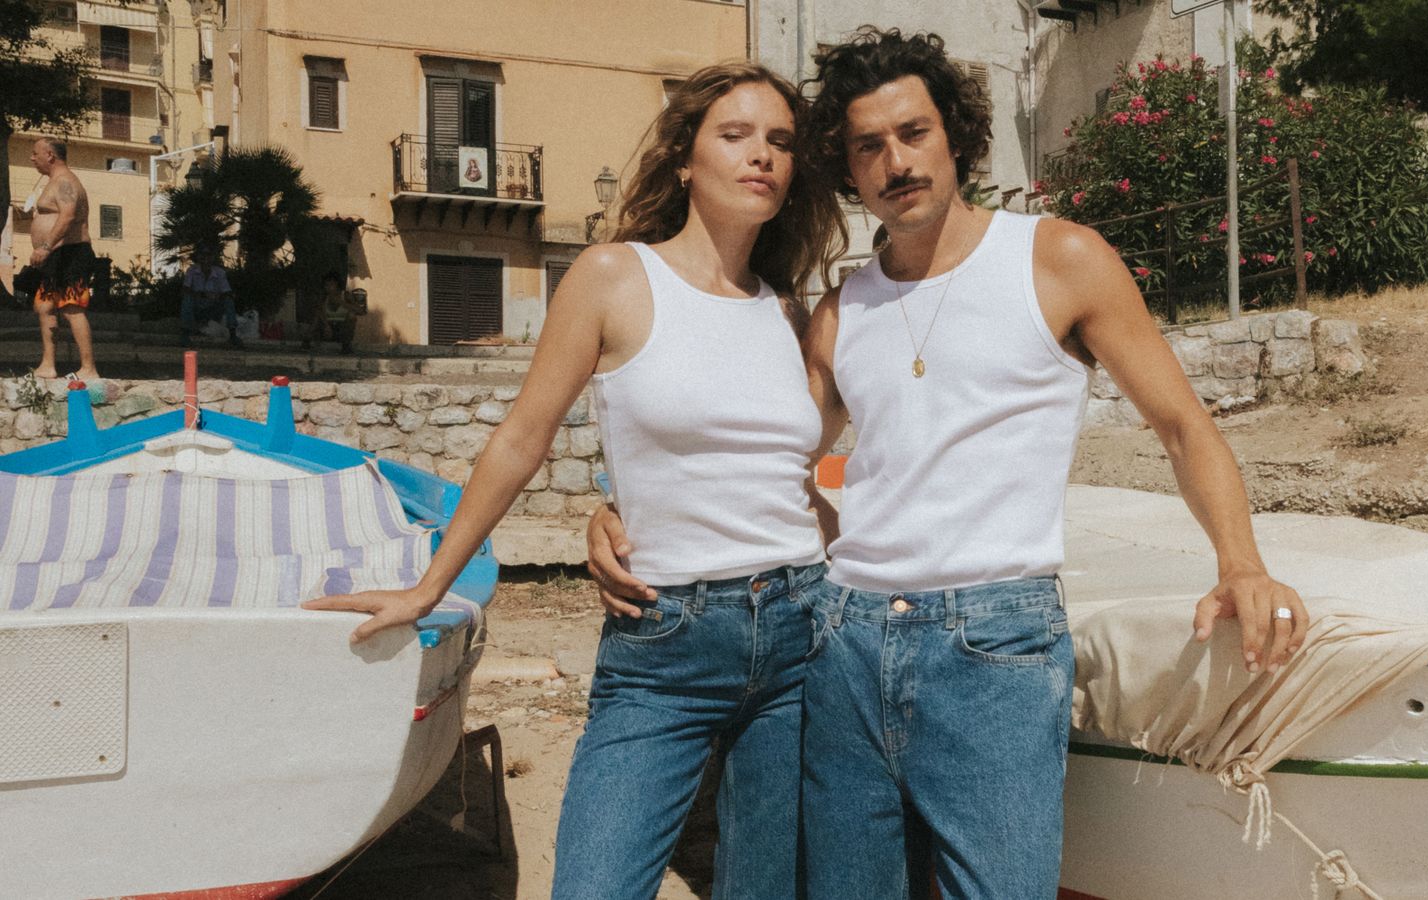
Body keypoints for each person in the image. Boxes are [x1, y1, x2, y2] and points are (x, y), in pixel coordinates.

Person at [587, 28, 1309, 899]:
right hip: (843, 644)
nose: (896, 161)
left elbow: (1185, 427)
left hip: (994, 644)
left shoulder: (1058, 260)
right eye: (868, 147)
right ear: (848, 172)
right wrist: (612, 508)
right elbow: (752, 455)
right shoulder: (842, 309)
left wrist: (1241, 563)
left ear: (956, 136)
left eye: (914, 133)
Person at [305, 61, 846, 900]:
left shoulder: (787, 311)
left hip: (797, 624)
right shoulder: (612, 276)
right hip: (665, 635)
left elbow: (790, 475)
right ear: (684, 159)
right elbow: (522, 439)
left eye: (778, 141)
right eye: (734, 135)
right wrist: (427, 586)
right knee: (596, 885)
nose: (762, 156)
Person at [20, 139, 99, 380]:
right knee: (44, 306)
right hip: (57, 256)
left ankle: (89, 368)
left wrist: (45, 246)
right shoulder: (54, 182)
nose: (32, 158)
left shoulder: (65, 182)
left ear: (50, 155)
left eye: (36, 154)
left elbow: (67, 217)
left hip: (72, 252)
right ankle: (48, 364)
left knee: (72, 307)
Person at [181, 245, 243, 348]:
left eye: (208, 255)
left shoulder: (219, 273)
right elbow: (185, 290)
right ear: (198, 257)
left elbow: (227, 292)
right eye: (203, 255)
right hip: (197, 307)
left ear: (212, 258)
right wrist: (201, 294)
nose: (206, 259)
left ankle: (233, 334)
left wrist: (218, 296)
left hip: (213, 307)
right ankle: (185, 333)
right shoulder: (192, 271)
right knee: (187, 299)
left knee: (228, 301)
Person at [303, 272, 357, 354]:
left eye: (331, 285)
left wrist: (342, 303)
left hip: (341, 327)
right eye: (326, 285)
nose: (328, 288)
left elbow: (360, 310)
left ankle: (346, 345)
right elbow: (319, 311)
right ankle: (306, 341)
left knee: (352, 315)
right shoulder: (324, 297)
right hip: (327, 327)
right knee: (316, 317)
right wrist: (326, 325)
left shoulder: (345, 295)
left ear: (337, 285)